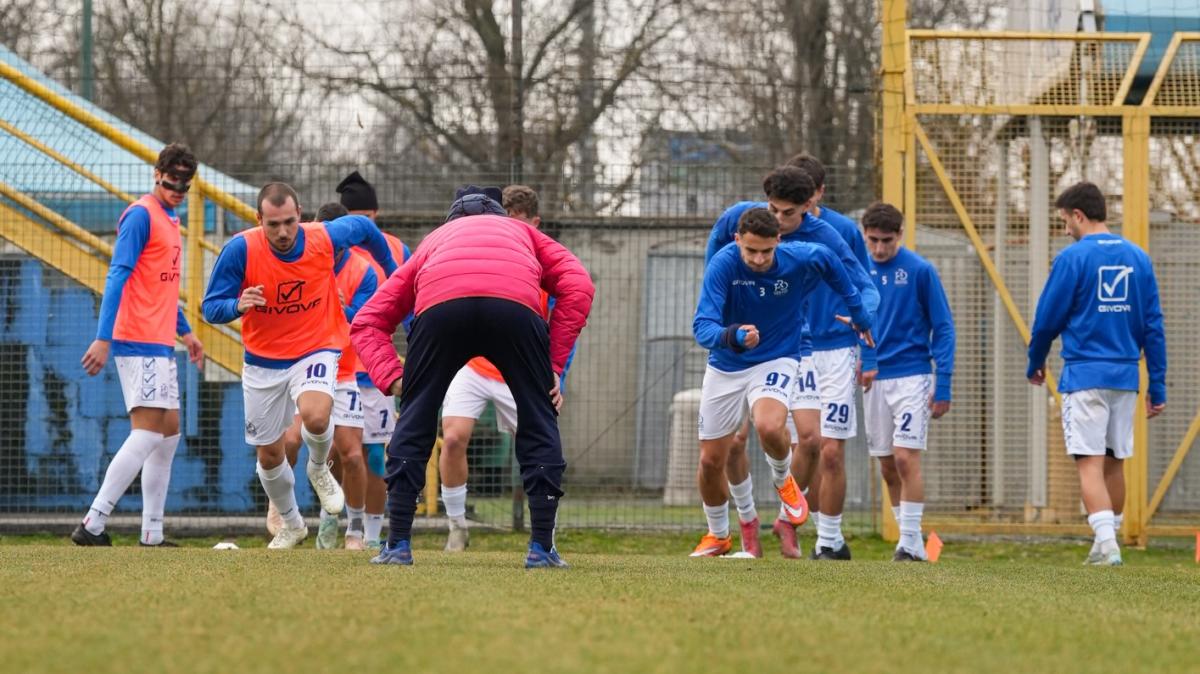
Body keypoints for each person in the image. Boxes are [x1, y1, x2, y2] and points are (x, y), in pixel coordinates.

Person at [351, 186, 595, 568]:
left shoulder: (435, 240)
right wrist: (553, 365)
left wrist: (397, 381)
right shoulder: (524, 233)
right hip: (514, 310)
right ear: (500, 215)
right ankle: (542, 548)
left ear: (451, 220)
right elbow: (578, 285)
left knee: (415, 419)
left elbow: (367, 321)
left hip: (442, 309)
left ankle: (397, 544)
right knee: (538, 419)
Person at [202, 183, 397, 549]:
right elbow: (210, 307)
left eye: (290, 222)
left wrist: (393, 271)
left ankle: (319, 468)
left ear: (300, 215)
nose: (283, 232)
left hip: (315, 349)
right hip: (263, 363)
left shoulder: (323, 236)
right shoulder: (240, 250)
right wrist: (237, 305)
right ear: (258, 219)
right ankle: (292, 524)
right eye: (273, 224)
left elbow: (367, 230)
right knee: (270, 454)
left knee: (317, 417)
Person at [704, 164, 878, 558]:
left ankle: (794, 520)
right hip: (740, 343)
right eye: (773, 209)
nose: (779, 221)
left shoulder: (828, 237)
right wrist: (720, 318)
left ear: (813, 201)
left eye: (789, 214)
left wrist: (862, 317)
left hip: (802, 346)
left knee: (813, 441)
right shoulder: (740, 218)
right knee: (731, 443)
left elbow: (863, 287)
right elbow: (714, 263)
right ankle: (747, 524)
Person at [1027, 182, 1167, 566]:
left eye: (1064, 221)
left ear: (1078, 215)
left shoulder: (1072, 259)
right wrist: (1158, 382)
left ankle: (1108, 546)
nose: (1064, 230)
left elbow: (1046, 320)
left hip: (1085, 375)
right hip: (1125, 377)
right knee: (1113, 462)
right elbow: (1153, 325)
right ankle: (1105, 542)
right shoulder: (1139, 258)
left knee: (1088, 462)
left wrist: (1035, 360)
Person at [73, 142, 205, 547]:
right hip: (137, 339)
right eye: (173, 178)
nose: (178, 186)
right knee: (147, 434)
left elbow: (161, 286)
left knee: (168, 434)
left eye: (186, 180)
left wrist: (185, 331)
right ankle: (93, 524)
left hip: (161, 341)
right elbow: (118, 275)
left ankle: (152, 531)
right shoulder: (141, 216)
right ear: (157, 173)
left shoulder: (171, 219)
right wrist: (103, 337)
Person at [437, 185, 576, 553]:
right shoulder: (480, 251)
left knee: (542, 447)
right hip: (475, 365)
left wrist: (557, 370)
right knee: (452, 437)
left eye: (519, 226)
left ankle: (545, 534)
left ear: (535, 224)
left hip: (522, 370)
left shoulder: (546, 262)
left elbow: (568, 319)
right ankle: (456, 526)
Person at [271, 202, 378, 550]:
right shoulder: (297, 257)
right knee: (288, 442)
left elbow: (364, 321)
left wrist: (342, 307)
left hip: (344, 370)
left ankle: (355, 530)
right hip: (301, 365)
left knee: (351, 454)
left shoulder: (364, 272)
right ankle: (283, 512)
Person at [859, 202, 955, 561]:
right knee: (886, 464)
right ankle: (912, 541)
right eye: (873, 241)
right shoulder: (857, 269)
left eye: (887, 240)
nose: (880, 248)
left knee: (904, 458)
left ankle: (909, 542)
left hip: (913, 375)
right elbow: (855, 321)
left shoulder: (920, 270)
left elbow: (943, 327)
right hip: (874, 380)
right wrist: (860, 359)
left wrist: (942, 382)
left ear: (900, 235)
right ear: (864, 236)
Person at [338, 170, 409, 549]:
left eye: (367, 219)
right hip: (337, 366)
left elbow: (411, 299)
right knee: (338, 454)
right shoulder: (333, 250)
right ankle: (337, 520)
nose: (362, 227)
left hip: (377, 368)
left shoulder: (395, 249)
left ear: (377, 215)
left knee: (376, 456)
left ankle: (372, 532)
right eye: (354, 220)